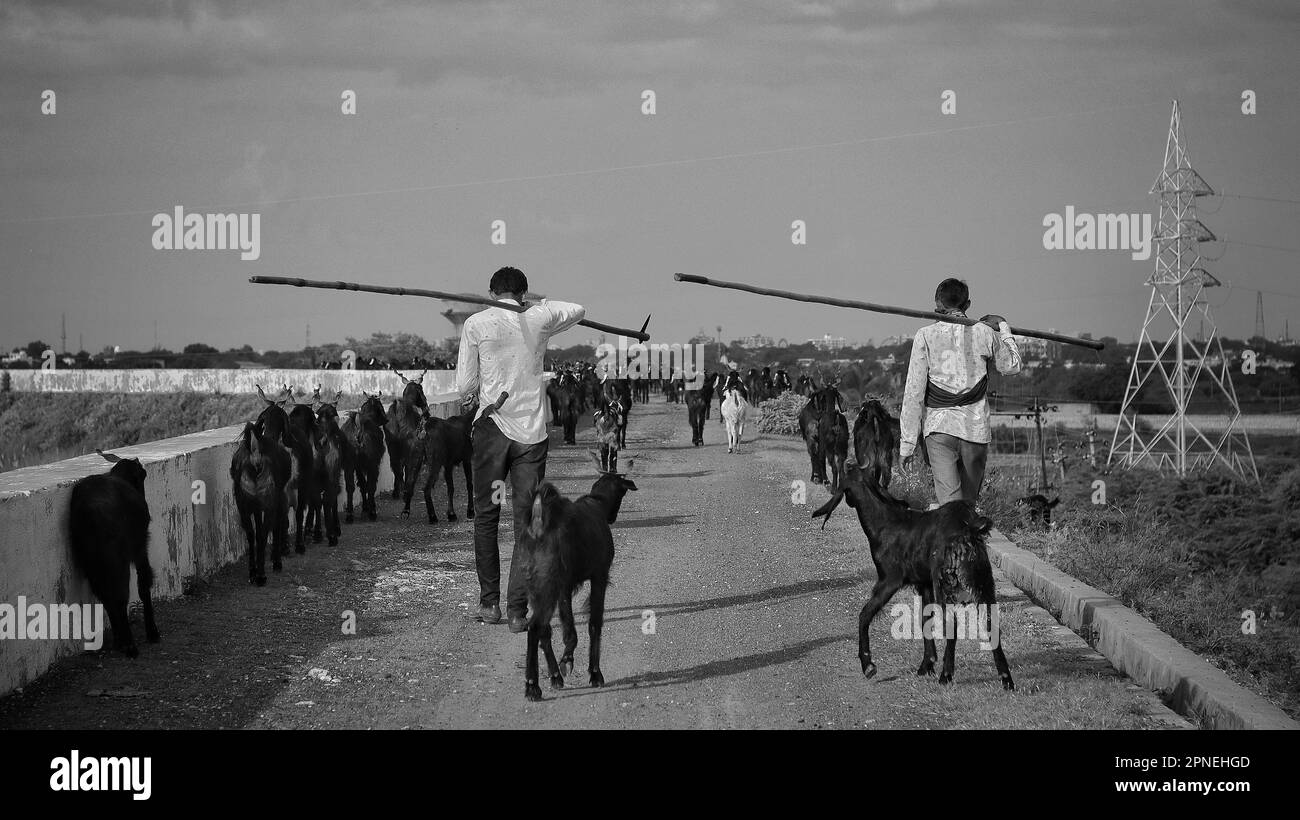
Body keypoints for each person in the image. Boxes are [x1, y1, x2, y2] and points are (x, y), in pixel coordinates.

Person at [456, 266, 585, 631]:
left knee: (486, 517)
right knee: (525, 523)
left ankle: (489, 605)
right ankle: (516, 611)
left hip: (492, 432)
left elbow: (465, 383)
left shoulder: (476, 324)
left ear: (491, 292)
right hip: (530, 436)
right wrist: (540, 306)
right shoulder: (539, 318)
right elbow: (577, 309)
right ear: (523, 294)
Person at [899, 278, 1022, 506]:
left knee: (950, 509)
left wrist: (907, 444)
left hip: (939, 430)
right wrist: (1004, 327)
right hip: (975, 431)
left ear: (937, 304)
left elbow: (913, 392)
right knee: (967, 507)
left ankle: (957, 540)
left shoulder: (925, 335)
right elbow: (1012, 365)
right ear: (967, 305)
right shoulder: (985, 333)